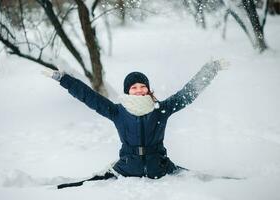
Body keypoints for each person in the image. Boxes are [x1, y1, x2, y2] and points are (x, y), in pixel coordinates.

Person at [42, 60, 227, 188]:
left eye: (142, 86)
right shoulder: (117, 112)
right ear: (128, 91)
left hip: (160, 168)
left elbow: (187, 94)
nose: (139, 90)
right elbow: (89, 97)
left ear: (148, 89)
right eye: (134, 87)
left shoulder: (161, 109)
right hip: (126, 169)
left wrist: (211, 69)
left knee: (211, 180)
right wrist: (63, 79)